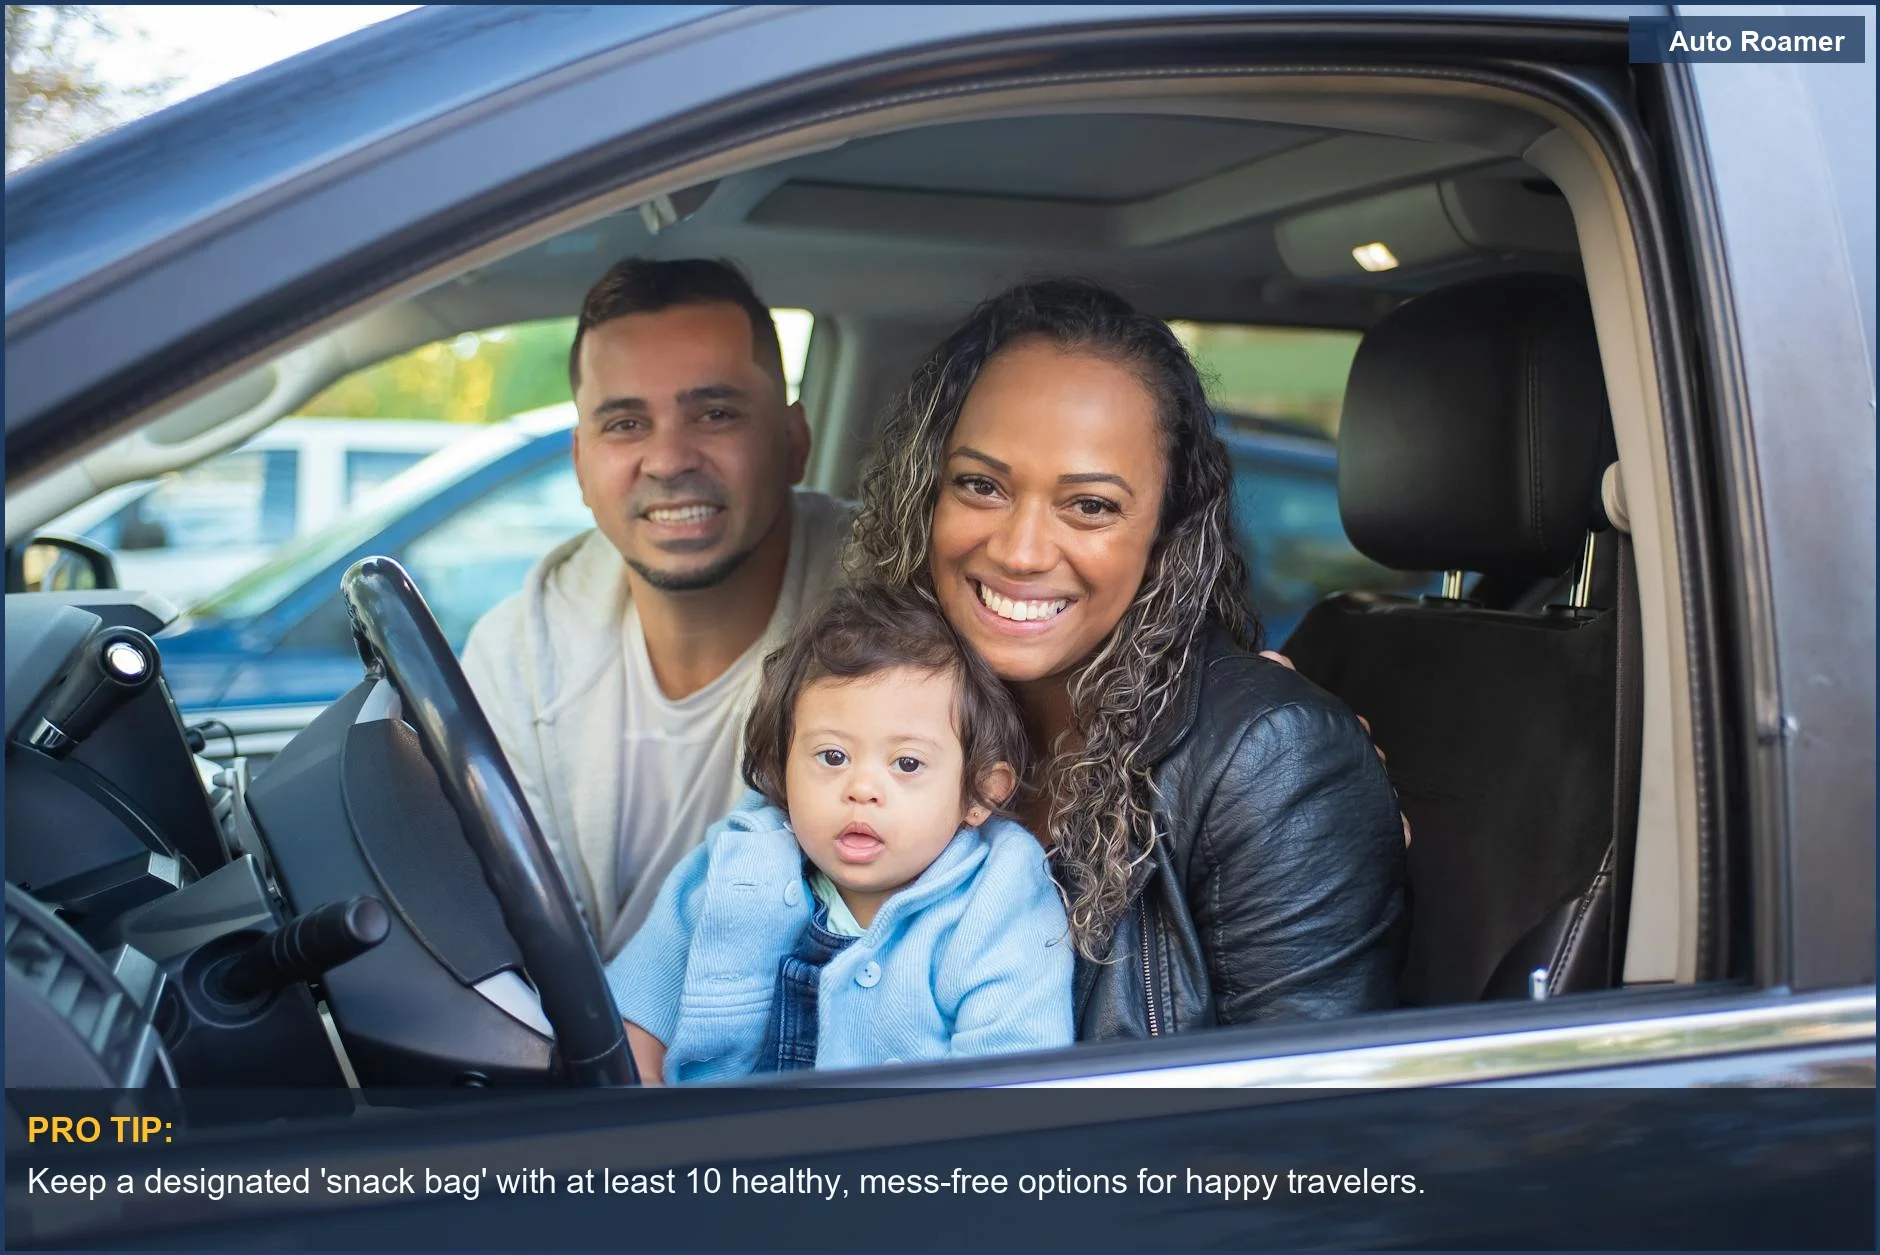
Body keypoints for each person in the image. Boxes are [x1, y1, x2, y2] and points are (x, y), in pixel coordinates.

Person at [844, 277, 1408, 1038]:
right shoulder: (874, 705)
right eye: (981, 485)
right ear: (926, 495)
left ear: (1168, 532)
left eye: (1091, 505)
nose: (1019, 550)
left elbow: (1302, 1136)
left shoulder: (1270, 761)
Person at [462, 259, 852, 959]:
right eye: (625, 423)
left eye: (716, 413)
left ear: (794, 442)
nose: (668, 458)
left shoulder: (897, 609)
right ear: (582, 463)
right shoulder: (519, 652)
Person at [606, 582, 1073, 1084]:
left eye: (908, 763)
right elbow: (632, 1024)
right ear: (779, 768)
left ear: (980, 794)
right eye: (833, 757)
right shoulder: (737, 861)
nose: (862, 789)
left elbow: (1010, 1087)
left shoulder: (999, 903)